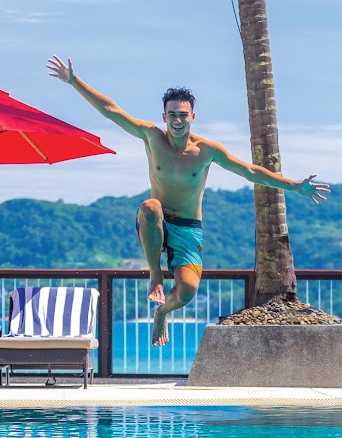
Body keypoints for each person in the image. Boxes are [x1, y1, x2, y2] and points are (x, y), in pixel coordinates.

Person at [47, 55, 330, 346]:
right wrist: (74, 82)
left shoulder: (206, 150)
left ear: (193, 116)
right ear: (164, 117)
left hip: (188, 228)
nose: (178, 120)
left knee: (186, 292)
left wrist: (295, 186)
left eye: (183, 115)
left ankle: (162, 312)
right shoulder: (152, 137)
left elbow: (250, 171)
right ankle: (155, 275)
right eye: (172, 115)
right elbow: (111, 111)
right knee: (150, 206)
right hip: (156, 221)